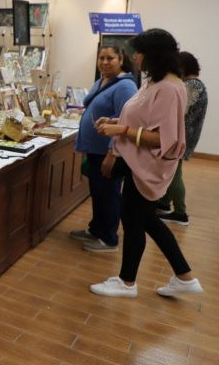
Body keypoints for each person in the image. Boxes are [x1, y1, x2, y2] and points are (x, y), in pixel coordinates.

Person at [90, 29, 202, 298]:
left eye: (140, 53)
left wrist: (121, 131)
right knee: (146, 219)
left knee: (133, 221)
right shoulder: (155, 82)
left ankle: (127, 282)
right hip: (137, 161)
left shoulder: (169, 88)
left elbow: (162, 138)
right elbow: (143, 119)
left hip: (147, 166)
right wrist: (116, 122)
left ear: (155, 55)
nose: (136, 57)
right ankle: (185, 277)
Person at [70, 45, 137, 252]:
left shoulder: (125, 86)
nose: (105, 62)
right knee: (98, 193)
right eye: (101, 58)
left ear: (121, 59)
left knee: (108, 194)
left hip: (108, 152)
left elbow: (125, 122)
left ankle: (109, 238)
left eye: (110, 58)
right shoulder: (102, 81)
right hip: (95, 150)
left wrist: (112, 153)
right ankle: (96, 229)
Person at [157, 51, 208, 225]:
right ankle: (164, 203)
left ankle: (180, 213)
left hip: (181, 136)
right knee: (172, 170)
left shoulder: (191, 85)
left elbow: (179, 110)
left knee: (174, 173)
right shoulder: (196, 84)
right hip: (184, 135)